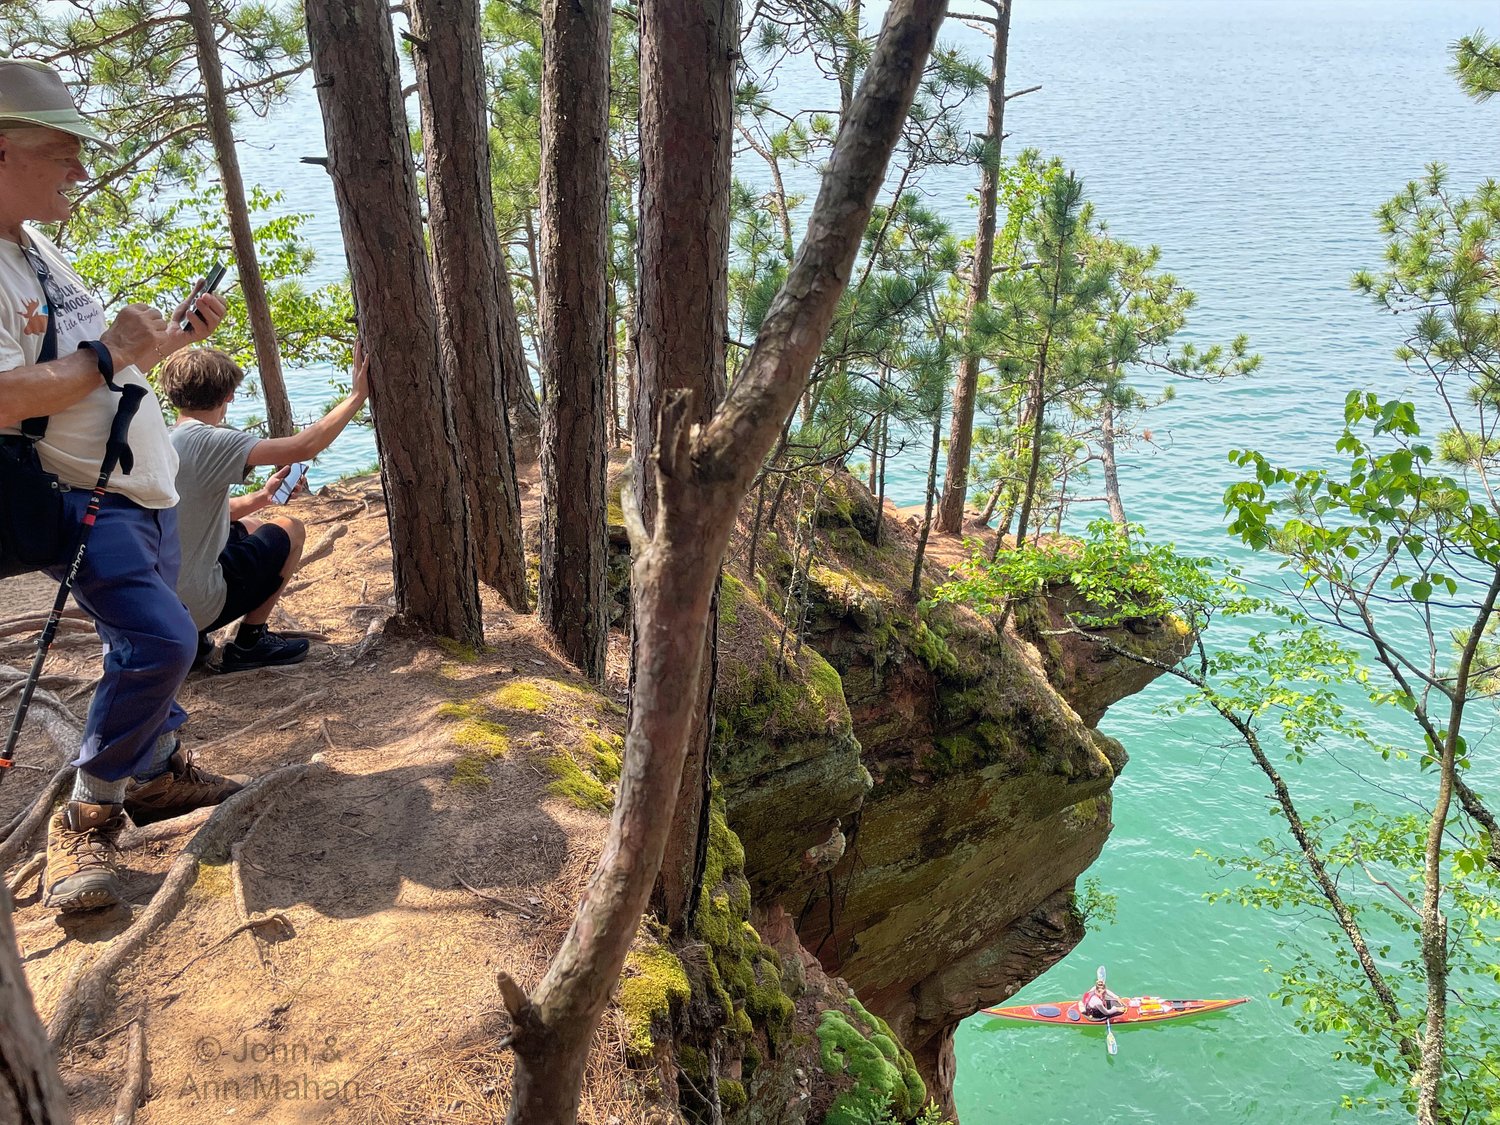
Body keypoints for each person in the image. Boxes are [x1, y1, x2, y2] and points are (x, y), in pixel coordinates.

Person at [0, 58, 239, 914]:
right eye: (60, 150)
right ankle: (88, 810)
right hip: (84, 496)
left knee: (143, 639)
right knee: (164, 642)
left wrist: (168, 340)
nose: (79, 168)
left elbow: (96, 370)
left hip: (144, 490)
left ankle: (155, 771)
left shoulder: (33, 245)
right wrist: (111, 352)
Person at [159, 343, 370, 671]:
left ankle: (195, 641)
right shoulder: (211, 440)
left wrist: (264, 495)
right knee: (291, 529)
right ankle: (250, 642)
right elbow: (304, 445)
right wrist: (357, 396)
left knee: (254, 526)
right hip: (197, 604)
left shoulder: (164, 440)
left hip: (162, 607)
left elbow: (208, 511)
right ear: (228, 395)